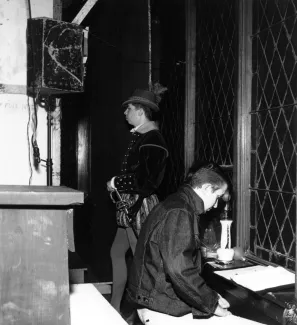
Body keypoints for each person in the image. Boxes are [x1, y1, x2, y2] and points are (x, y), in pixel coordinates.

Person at [126, 163, 266, 325]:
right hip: (161, 306)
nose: (215, 205)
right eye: (218, 197)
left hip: (154, 299)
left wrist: (209, 296)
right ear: (207, 188)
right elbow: (179, 270)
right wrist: (211, 304)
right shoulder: (180, 212)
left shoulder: (175, 203)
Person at [106, 84, 168, 315]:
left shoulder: (153, 139)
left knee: (141, 262)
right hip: (129, 206)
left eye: (128, 109)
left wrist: (116, 182)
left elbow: (147, 181)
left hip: (138, 207)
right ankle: (115, 307)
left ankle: (142, 311)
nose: (125, 113)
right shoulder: (143, 137)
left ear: (140, 111)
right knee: (116, 252)